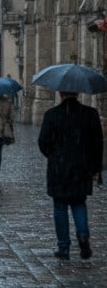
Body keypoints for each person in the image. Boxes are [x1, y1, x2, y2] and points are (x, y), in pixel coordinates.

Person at [38, 91, 104, 260]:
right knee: (79, 203)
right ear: (78, 93)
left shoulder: (52, 115)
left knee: (60, 207)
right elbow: (97, 144)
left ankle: (64, 247)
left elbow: (43, 142)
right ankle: (83, 236)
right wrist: (95, 167)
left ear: (60, 94)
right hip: (82, 166)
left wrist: (54, 156)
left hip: (59, 167)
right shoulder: (90, 114)